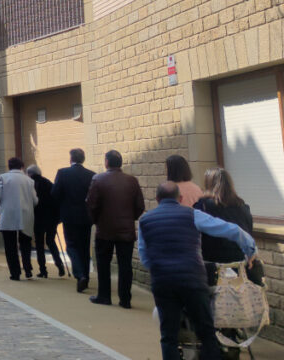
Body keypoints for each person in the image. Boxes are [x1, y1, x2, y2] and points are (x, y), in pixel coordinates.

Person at [139, 182, 257, 360]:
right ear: (180, 199)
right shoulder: (193, 215)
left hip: (163, 281)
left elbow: (144, 255)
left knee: (169, 335)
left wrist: (158, 270)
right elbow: (230, 230)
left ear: (157, 199)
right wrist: (250, 250)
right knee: (206, 332)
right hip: (192, 279)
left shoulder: (145, 221)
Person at [86, 149, 144, 308]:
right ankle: (125, 299)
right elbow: (140, 206)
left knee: (103, 263)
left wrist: (96, 220)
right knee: (125, 265)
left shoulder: (98, 179)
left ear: (106, 162)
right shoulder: (132, 180)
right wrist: (130, 219)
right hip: (126, 229)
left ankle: (104, 295)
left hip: (104, 229)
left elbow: (91, 204)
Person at [194, 167, 264, 285]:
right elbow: (248, 234)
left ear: (208, 184)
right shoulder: (243, 207)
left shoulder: (202, 207)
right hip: (242, 268)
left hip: (213, 269)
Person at [51, 148, 96, 292]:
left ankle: (80, 274)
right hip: (86, 217)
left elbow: (55, 194)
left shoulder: (63, 173)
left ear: (71, 159)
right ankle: (86, 278)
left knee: (71, 246)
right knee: (84, 247)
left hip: (69, 216)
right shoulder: (91, 175)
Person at [0, 156, 37, 280]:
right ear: (22, 167)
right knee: (25, 243)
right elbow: (35, 200)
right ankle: (28, 269)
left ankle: (15, 272)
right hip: (25, 214)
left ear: (9, 166)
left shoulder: (3, 177)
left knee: (10, 245)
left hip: (8, 214)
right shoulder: (29, 181)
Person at [26, 165, 65, 278]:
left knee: (39, 244)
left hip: (38, 218)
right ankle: (59, 265)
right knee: (50, 241)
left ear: (30, 174)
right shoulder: (48, 182)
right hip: (52, 218)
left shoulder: (31, 184)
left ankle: (43, 270)